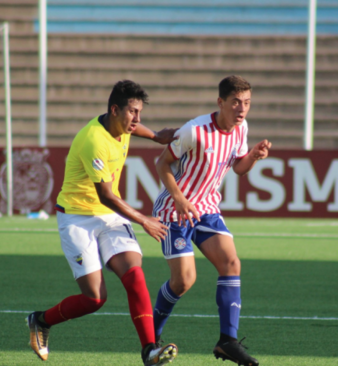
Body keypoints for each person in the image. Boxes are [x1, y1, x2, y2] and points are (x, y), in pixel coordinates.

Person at [26, 80, 178, 365]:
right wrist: (144, 220)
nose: (138, 119)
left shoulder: (121, 125)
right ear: (115, 110)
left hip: (109, 217)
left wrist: (157, 136)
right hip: (77, 218)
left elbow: (139, 130)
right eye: (133, 112)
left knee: (135, 275)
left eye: (140, 112)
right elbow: (106, 195)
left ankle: (149, 350)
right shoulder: (94, 140)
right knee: (95, 298)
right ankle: (40, 321)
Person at [151, 75, 270, 366]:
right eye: (236, 103)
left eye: (247, 103)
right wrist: (179, 198)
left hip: (206, 207)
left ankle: (227, 341)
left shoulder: (241, 128)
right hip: (173, 209)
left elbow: (239, 168)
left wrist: (253, 157)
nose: (242, 109)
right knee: (184, 281)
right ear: (221, 102)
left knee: (231, 263)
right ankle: (150, 336)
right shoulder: (195, 130)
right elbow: (162, 164)